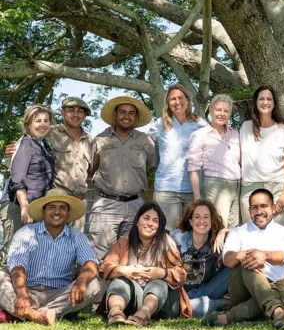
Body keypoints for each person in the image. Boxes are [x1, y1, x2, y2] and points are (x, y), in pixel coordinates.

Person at [0, 189, 102, 325]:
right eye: (52, 207)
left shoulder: (77, 236)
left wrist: (81, 281)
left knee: (97, 283)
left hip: (60, 295)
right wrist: (23, 295)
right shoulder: (26, 232)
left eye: (62, 208)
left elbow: (90, 262)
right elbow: (18, 267)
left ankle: (26, 313)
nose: (57, 212)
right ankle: (37, 315)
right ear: (43, 211)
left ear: (68, 213)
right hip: (27, 290)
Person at [202, 189, 284, 330]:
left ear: (273, 207)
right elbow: (227, 259)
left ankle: (226, 318)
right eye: (254, 207)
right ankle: (277, 311)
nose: (259, 211)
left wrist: (265, 256)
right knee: (248, 262)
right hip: (243, 289)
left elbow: (283, 257)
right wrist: (241, 255)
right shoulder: (238, 232)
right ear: (249, 210)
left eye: (264, 206)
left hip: (274, 286)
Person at [3, 97, 94, 233]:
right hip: (47, 205)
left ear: (85, 115)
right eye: (71, 110)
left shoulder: (91, 141)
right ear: (62, 112)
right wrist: (12, 150)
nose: (75, 114)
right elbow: (18, 165)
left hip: (76, 206)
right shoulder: (47, 132)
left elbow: (93, 171)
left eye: (80, 111)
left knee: (68, 249)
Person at [100, 202, 190, 326]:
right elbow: (105, 267)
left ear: (159, 226)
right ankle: (116, 313)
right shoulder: (123, 242)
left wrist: (161, 273)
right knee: (120, 280)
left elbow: (181, 275)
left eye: (155, 221)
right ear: (137, 221)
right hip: (135, 298)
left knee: (158, 282)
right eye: (146, 218)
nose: (150, 223)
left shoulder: (166, 242)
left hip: (163, 303)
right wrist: (125, 271)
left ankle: (143, 315)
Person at [89, 95, 156, 260]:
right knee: (101, 257)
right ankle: (100, 286)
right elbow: (90, 168)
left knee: (132, 255)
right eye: (123, 112)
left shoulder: (145, 141)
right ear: (115, 114)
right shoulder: (100, 140)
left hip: (136, 205)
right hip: (106, 205)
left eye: (131, 113)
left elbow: (156, 165)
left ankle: (124, 286)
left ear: (136, 117)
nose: (127, 116)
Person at [0, 105, 56, 270]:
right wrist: (25, 206)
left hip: (36, 206)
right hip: (17, 206)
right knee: (12, 255)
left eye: (46, 120)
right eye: (37, 121)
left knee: (30, 255)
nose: (42, 124)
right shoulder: (26, 144)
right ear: (28, 124)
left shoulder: (45, 145)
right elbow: (18, 179)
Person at [149, 84, 205, 231]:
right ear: (168, 103)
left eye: (180, 97)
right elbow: (145, 142)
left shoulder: (200, 124)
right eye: (172, 99)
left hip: (193, 190)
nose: (177, 102)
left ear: (188, 100)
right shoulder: (160, 124)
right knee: (167, 235)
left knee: (191, 235)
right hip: (166, 189)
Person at [239, 86, 284, 227]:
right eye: (261, 99)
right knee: (250, 236)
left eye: (269, 99)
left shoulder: (283, 130)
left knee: (278, 235)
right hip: (249, 188)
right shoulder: (245, 127)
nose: (265, 102)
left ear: (274, 103)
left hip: (277, 187)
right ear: (256, 102)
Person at [170, 199, 231, 317]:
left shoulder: (217, 242)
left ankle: (192, 306)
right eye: (197, 217)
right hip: (182, 292)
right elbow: (160, 235)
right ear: (191, 221)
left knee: (234, 265)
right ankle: (221, 304)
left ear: (212, 221)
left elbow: (243, 232)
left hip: (209, 290)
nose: (201, 221)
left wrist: (225, 231)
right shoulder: (179, 238)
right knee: (187, 305)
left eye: (206, 217)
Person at [187, 94, 241, 228]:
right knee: (218, 226)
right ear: (210, 111)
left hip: (237, 185)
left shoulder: (235, 134)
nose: (222, 114)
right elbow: (193, 168)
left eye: (226, 111)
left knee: (234, 228)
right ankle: (215, 250)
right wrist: (197, 197)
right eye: (218, 110)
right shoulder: (200, 135)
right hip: (215, 185)